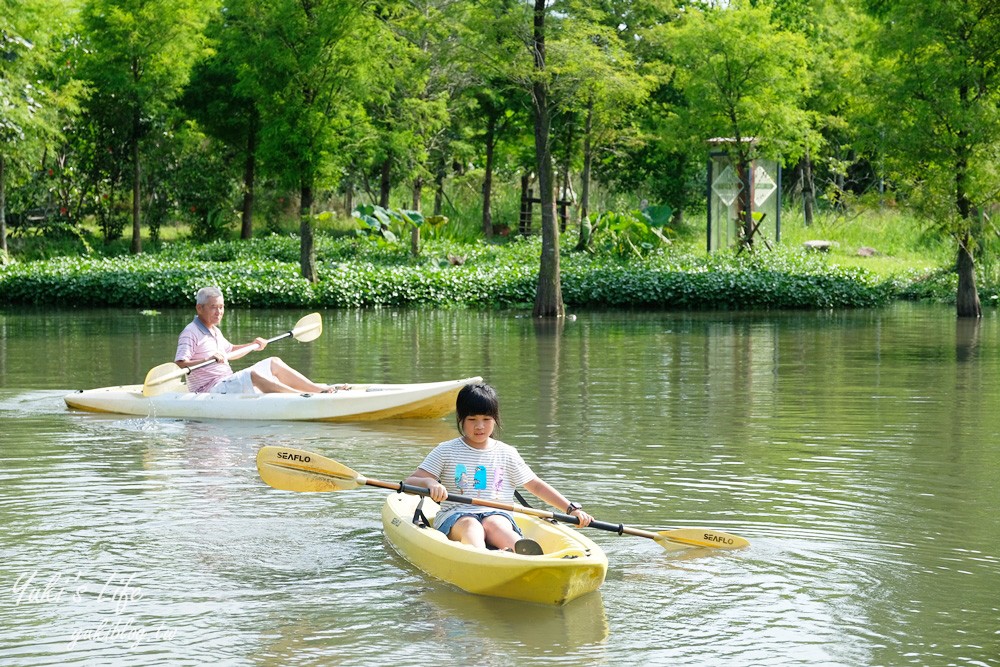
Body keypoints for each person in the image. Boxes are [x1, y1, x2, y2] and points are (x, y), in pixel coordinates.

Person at [403, 383, 593, 553]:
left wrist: (571, 509)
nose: (479, 426)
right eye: (472, 419)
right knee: (472, 526)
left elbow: (535, 485)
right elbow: (411, 482)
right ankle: (483, 559)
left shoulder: (507, 453)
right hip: (456, 515)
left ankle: (522, 555)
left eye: (486, 419)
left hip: (497, 514)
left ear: (495, 419)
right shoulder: (446, 450)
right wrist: (430, 483)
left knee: (496, 524)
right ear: (461, 419)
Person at [175, 286, 337, 395]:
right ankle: (302, 396)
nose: (219, 312)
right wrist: (208, 359)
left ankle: (318, 389)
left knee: (274, 361)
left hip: (225, 382)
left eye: (222, 307)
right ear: (199, 308)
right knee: (252, 375)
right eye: (214, 307)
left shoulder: (214, 330)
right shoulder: (190, 332)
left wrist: (254, 345)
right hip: (208, 390)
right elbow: (180, 364)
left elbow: (230, 351)